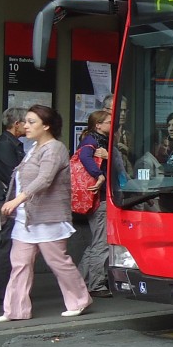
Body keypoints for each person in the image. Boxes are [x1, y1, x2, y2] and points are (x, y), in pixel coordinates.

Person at [0, 104, 93, 321]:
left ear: (46, 125)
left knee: (58, 262)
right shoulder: (33, 148)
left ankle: (79, 300)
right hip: (26, 218)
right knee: (19, 264)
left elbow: (45, 178)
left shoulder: (55, 148)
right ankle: (15, 310)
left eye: (32, 122)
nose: (25, 126)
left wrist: (17, 200)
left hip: (48, 218)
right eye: (25, 121)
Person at [76, 109, 113, 298]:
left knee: (95, 242)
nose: (112, 124)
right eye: (108, 121)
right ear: (98, 125)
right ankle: (96, 284)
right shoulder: (93, 141)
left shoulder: (95, 140)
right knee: (102, 243)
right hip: (100, 199)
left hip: (96, 199)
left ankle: (78, 281)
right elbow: (84, 157)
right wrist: (99, 175)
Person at [0, 107, 27, 301]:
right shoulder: (5, 144)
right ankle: (3, 289)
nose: (28, 126)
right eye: (26, 122)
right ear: (16, 124)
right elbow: (13, 175)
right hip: (8, 200)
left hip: (12, 199)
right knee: (8, 243)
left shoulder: (10, 142)